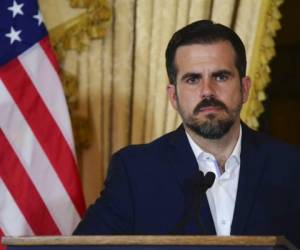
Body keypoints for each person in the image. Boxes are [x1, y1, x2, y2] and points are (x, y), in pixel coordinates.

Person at [74, 20, 300, 247]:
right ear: (173, 96)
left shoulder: (290, 166)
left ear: (245, 88)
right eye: (192, 79)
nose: (207, 91)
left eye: (220, 76)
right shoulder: (135, 171)